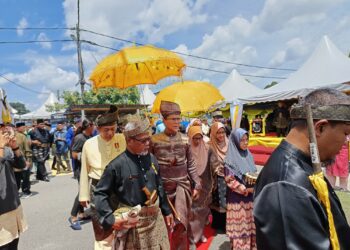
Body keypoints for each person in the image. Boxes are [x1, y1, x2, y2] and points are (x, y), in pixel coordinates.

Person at [254, 88, 350, 250]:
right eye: (346, 133)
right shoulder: (286, 187)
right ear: (320, 128)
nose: (346, 142)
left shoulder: (302, 165)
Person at [94, 116, 173, 249]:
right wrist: (110, 220)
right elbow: (100, 193)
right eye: (143, 140)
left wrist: (166, 210)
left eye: (149, 138)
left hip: (156, 220)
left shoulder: (152, 158)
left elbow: (159, 185)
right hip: (133, 225)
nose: (148, 143)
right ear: (129, 141)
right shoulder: (116, 166)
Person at [151, 101, 201, 250]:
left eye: (179, 119)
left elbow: (191, 163)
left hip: (182, 187)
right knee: (164, 224)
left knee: (181, 223)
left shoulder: (186, 139)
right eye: (173, 119)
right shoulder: (154, 140)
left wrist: (197, 184)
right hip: (162, 188)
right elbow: (150, 166)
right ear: (164, 120)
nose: (177, 122)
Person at [79, 105, 126, 249]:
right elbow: (84, 171)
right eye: (106, 130)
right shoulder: (89, 144)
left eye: (113, 128)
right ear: (98, 129)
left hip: (120, 187)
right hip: (98, 187)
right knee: (101, 225)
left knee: (123, 223)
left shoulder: (122, 138)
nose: (111, 132)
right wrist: (83, 195)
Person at [224, 128, 257, 250]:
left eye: (246, 139)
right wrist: (245, 189)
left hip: (250, 199)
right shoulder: (230, 160)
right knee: (240, 228)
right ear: (236, 142)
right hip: (237, 200)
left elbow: (253, 173)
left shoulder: (248, 155)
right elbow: (229, 180)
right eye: (242, 140)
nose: (245, 142)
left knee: (250, 226)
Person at [188, 126, 219, 245]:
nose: (197, 141)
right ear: (190, 138)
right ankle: (192, 236)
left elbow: (214, 163)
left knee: (202, 211)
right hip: (192, 186)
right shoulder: (186, 149)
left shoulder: (208, 149)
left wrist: (216, 169)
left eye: (199, 138)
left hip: (205, 185)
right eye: (194, 138)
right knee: (193, 212)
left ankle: (199, 234)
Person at [0, 124, 28, 250]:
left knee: (14, 244)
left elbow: (21, 165)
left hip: (13, 206)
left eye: (3, 129)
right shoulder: (2, 149)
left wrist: (15, 147)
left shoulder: (6, 150)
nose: (4, 132)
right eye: (1, 130)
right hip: (1, 211)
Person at [68, 119, 95, 230]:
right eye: (93, 126)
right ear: (88, 126)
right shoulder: (80, 138)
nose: (94, 128)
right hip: (81, 169)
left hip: (89, 169)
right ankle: (73, 217)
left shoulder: (89, 137)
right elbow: (74, 154)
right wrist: (85, 157)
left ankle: (82, 214)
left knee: (85, 191)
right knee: (83, 192)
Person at [208, 122, 228, 233]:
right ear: (213, 133)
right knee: (216, 201)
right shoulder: (209, 145)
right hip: (214, 177)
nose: (221, 135)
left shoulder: (229, 144)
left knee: (226, 201)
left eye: (222, 132)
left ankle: (226, 224)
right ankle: (217, 224)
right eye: (218, 133)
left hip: (228, 177)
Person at [14, 122, 32, 198]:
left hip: (22, 160)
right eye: (22, 127)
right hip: (16, 161)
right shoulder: (6, 137)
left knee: (24, 177)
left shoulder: (22, 136)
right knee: (18, 177)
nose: (24, 128)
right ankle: (19, 192)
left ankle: (25, 192)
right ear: (17, 128)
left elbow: (27, 149)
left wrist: (28, 160)